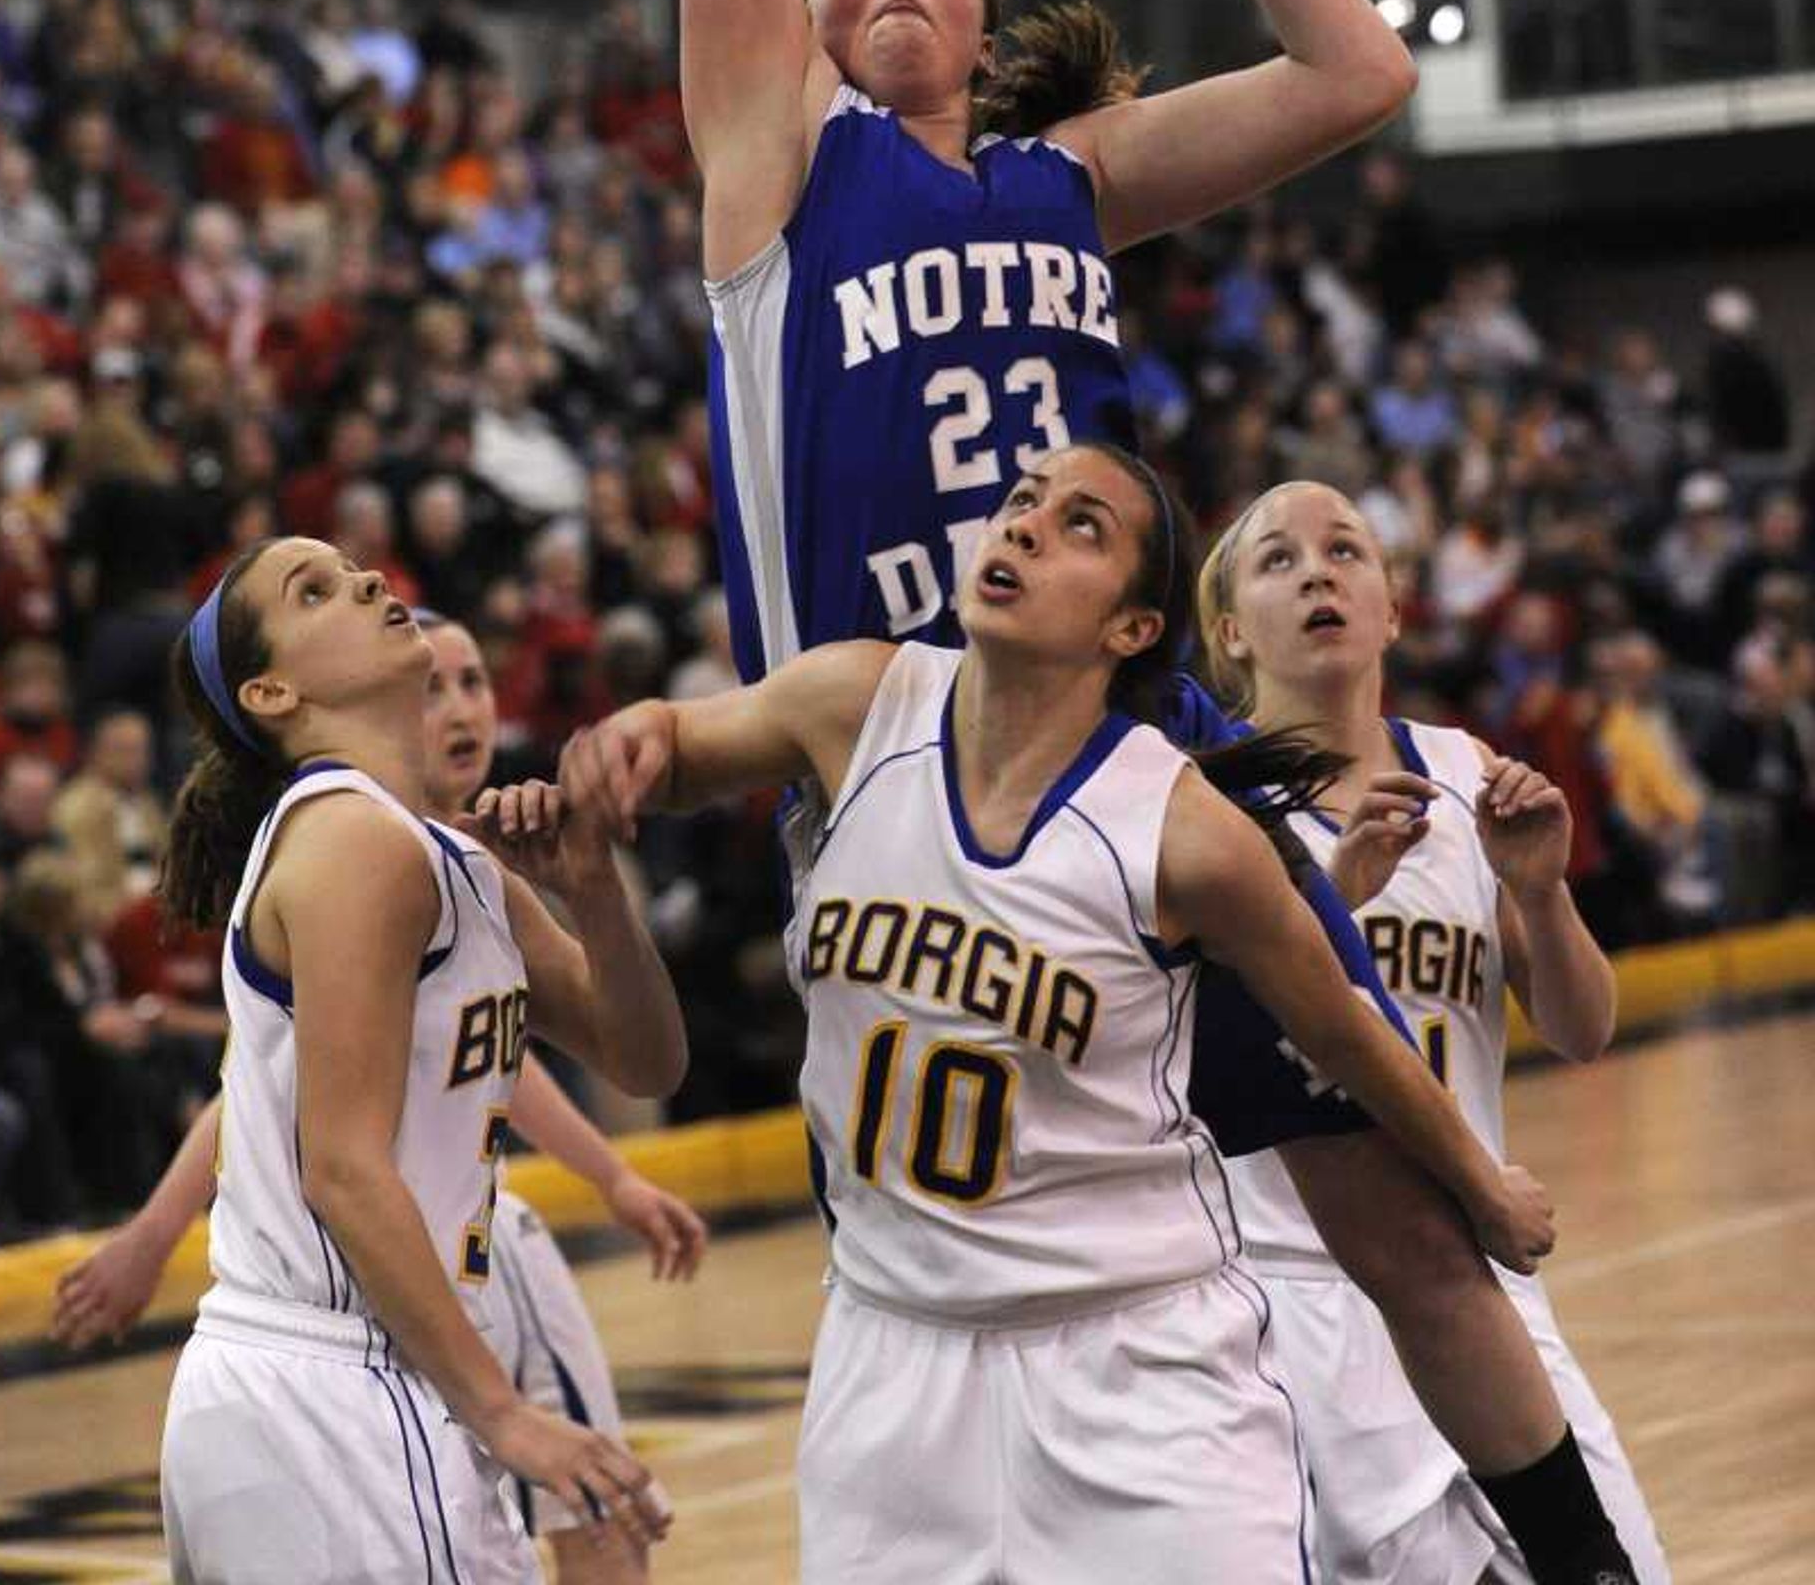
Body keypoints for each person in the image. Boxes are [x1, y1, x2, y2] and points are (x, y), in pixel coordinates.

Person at [590, 0, 1639, 1585]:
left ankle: (1561, 1558)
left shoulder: (1074, 178)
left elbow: (1360, 67)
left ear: (979, 17)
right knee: (984, 1273)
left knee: (1386, 1209)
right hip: (889, 761)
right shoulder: (777, 164)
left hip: (1125, 746)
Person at [536, 444, 1555, 1583]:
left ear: (1132, 627)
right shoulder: (858, 701)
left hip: (1134, 1354)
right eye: (1021, 502)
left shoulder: (1181, 825)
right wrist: (636, 739)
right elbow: (683, 744)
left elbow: (1344, 1027)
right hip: (893, 1359)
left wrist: (1478, 1177)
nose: (1022, 525)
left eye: (1081, 525)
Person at [58, 608, 706, 1579]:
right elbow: (339, 1162)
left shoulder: (454, 864)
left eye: (474, 677)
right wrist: (504, 1412)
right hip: (345, 1374)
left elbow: (647, 1060)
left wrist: (595, 889)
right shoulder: (353, 838)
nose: (361, 580)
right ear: (276, 693)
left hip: (319, 1373)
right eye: (313, 588)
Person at [1205, 477, 1670, 1585]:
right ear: (1227, 629)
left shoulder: (1465, 773)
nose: (1318, 571)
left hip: (1485, 1274)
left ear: (1394, 605)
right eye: (1277, 558)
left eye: (1346, 549)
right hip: (1302, 1295)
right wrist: (1333, 893)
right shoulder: (1205, 807)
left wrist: (1545, 895)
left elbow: (1582, 1026)